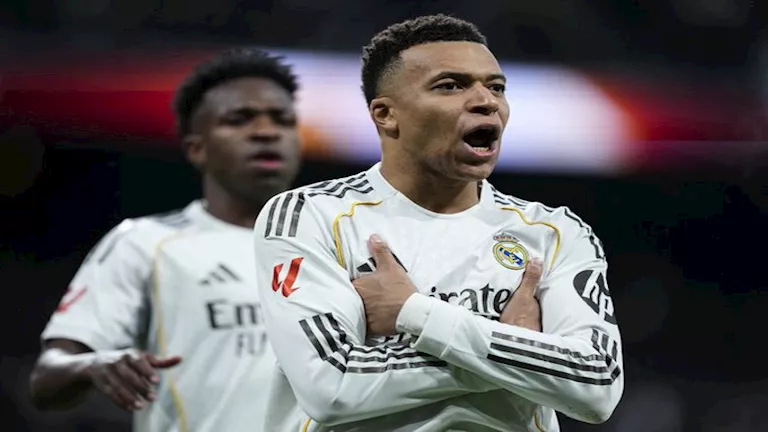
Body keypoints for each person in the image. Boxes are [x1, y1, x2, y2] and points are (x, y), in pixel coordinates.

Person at [253, 14, 623, 432]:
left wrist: (416, 313)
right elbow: (332, 387)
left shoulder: (554, 232)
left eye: (496, 87)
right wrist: (521, 352)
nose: (486, 101)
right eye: (450, 85)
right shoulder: (310, 215)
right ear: (386, 114)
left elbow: (597, 385)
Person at [29, 47, 302, 431]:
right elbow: (46, 379)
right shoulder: (146, 243)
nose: (266, 132)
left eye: (283, 120)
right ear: (196, 148)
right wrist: (93, 364)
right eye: (239, 119)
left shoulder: (340, 245)